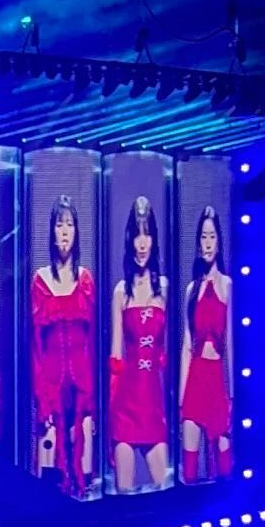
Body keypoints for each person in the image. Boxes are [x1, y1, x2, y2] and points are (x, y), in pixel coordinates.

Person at [31, 193, 96, 496]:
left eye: (69, 224)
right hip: (51, 383)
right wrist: (41, 395)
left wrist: (95, 396)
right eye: (59, 225)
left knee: (83, 460)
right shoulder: (40, 280)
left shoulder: (86, 280)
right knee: (50, 467)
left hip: (82, 384)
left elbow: (94, 341)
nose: (65, 231)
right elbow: (34, 346)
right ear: (52, 231)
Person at [109, 195, 169, 493]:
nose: (142, 243)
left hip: (153, 403)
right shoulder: (121, 291)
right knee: (124, 495)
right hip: (125, 403)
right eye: (137, 235)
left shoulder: (165, 288)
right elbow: (115, 356)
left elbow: (170, 352)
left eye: (147, 234)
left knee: (167, 490)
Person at [179, 205, 233, 482]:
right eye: (203, 237)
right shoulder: (192, 289)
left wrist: (232, 395)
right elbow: (187, 345)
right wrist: (180, 399)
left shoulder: (227, 285)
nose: (208, 243)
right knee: (189, 468)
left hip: (217, 381)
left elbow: (231, 346)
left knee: (224, 466)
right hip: (195, 379)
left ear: (219, 241)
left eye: (212, 237)